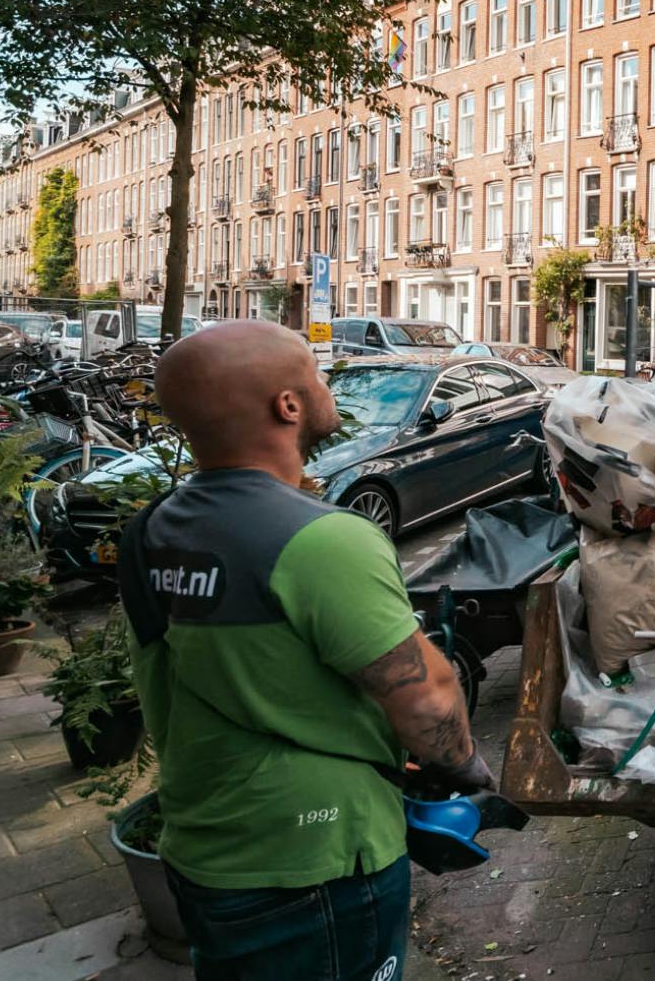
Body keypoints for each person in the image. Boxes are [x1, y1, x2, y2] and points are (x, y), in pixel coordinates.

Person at [118, 320, 490, 980]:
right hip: (315, 857)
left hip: (206, 844)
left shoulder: (151, 530)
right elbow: (424, 695)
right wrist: (464, 766)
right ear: (287, 406)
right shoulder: (321, 541)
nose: (327, 385)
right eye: (316, 374)